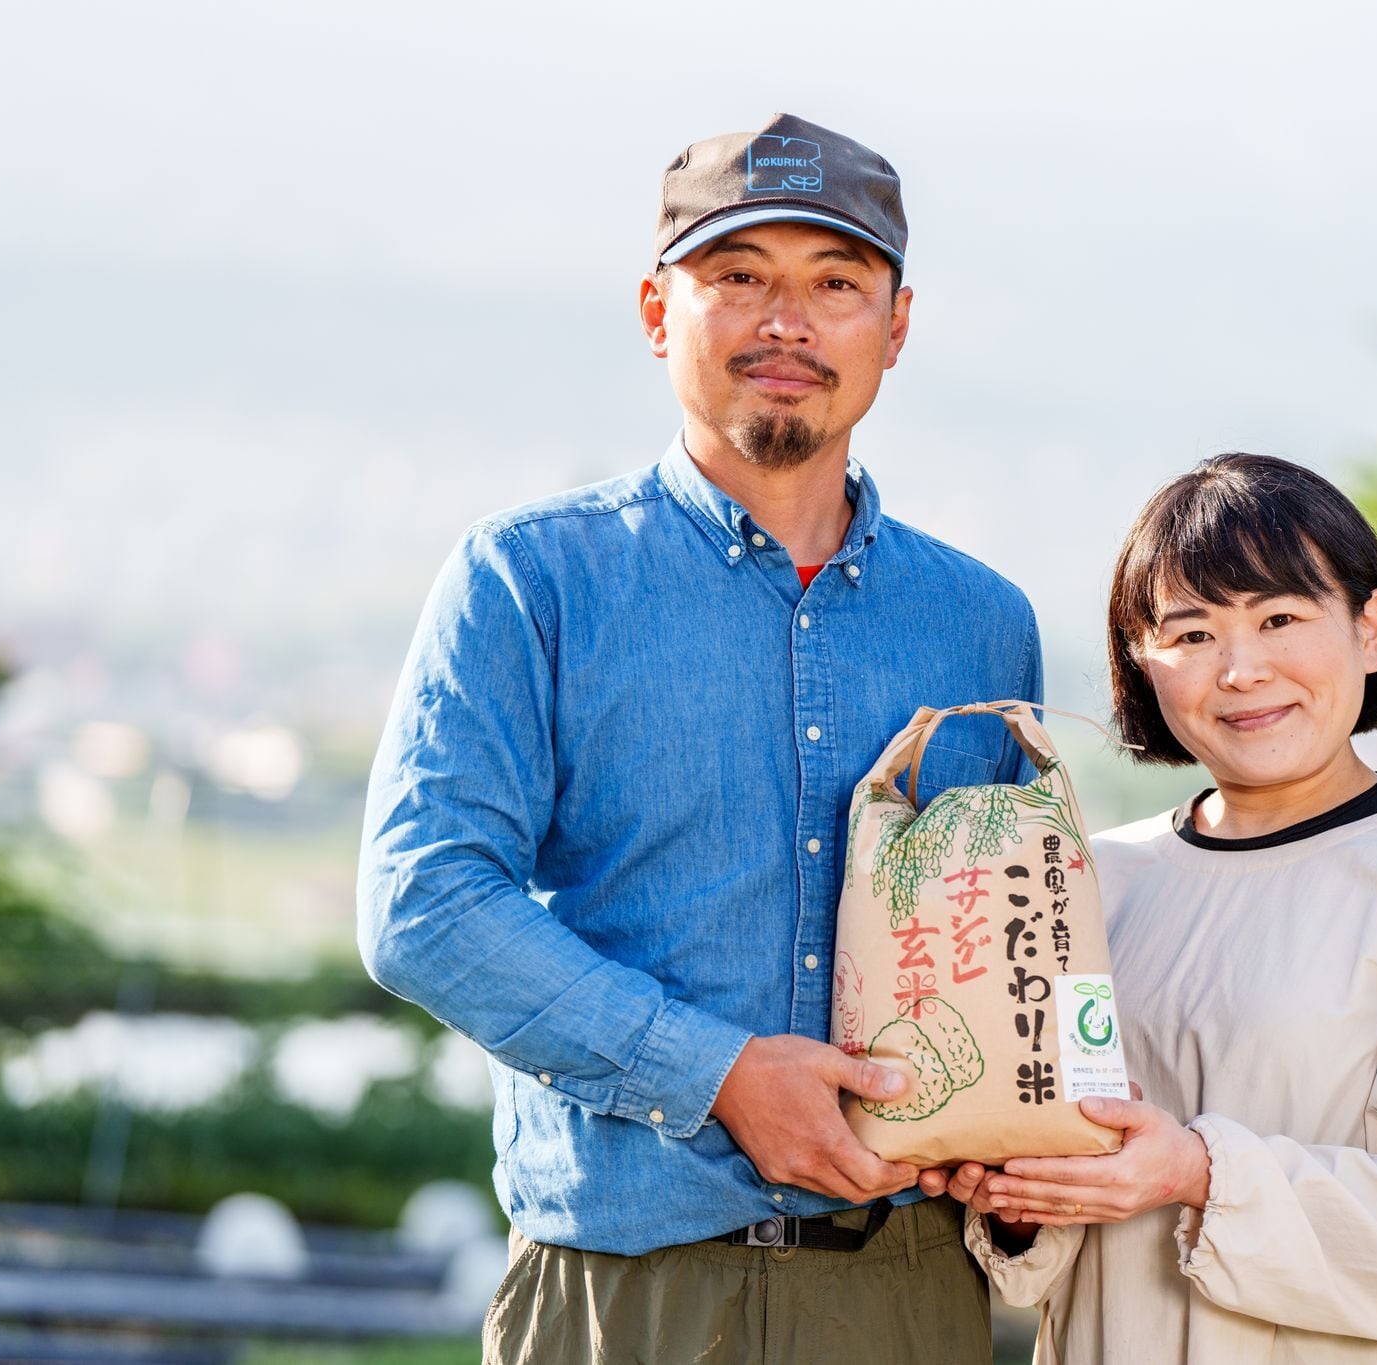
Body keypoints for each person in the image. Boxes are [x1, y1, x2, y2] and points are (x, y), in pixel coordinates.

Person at [356, 113, 1038, 1363]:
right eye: (739, 278)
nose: (787, 321)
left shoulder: (983, 627)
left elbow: (995, 946)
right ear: (656, 311)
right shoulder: (529, 581)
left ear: (894, 326)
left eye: (835, 283)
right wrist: (716, 1072)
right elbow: (423, 902)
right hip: (623, 1298)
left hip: (902, 1296)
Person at [924, 453, 1377, 1362]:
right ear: (1139, 660)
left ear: (1370, 627)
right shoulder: (1090, 880)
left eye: (1280, 618)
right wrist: (1014, 1196)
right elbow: (1047, 1214)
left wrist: (1197, 1171)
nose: (1240, 669)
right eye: (1191, 634)